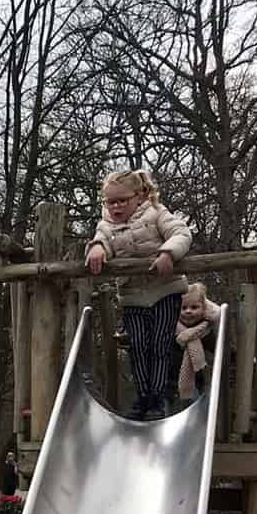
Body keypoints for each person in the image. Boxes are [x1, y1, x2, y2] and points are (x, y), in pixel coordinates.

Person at [86, 168, 193, 420]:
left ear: (140, 195)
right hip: (132, 294)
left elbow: (181, 233)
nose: (116, 206)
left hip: (165, 290)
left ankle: (158, 399)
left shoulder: (156, 213)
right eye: (110, 202)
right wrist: (97, 248)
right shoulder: (106, 225)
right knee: (137, 347)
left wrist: (168, 253)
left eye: (122, 200)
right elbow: (102, 241)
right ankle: (142, 398)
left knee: (159, 344)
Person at [175, 282, 221, 403]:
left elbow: (217, 313)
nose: (188, 311)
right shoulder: (175, 329)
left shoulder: (208, 328)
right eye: (183, 308)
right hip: (183, 377)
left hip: (206, 371)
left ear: (204, 308)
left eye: (194, 307)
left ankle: (208, 399)